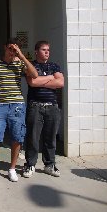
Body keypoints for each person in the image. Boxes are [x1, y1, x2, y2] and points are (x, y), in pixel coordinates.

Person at [0, 38, 38, 185]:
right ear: (5, 47)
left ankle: (12, 168)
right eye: (11, 48)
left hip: (17, 105)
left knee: (17, 136)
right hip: (1, 105)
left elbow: (35, 74)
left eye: (15, 49)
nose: (12, 52)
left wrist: (21, 55)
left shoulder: (19, 63)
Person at [23, 41, 64, 178]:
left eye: (48, 50)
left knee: (50, 138)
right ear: (36, 51)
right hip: (35, 106)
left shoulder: (54, 65)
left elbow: (60, 82)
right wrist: (51, 78)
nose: (47, 52)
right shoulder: (31, 66)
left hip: (52, 107)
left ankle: (49, 165)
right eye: (44, 49)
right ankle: (30, 165)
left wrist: (42, 80)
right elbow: (32, 82)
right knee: (33, 138)